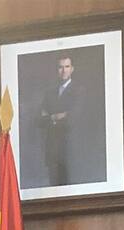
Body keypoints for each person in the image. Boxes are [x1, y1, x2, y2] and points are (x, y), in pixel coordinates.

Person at [39, 55, 84, 186]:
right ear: (57, 70)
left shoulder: (79, 91)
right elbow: (39, 120)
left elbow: (73, 118)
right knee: (53, 189)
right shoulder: (49, 92)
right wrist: (57, 116)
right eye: (60, 67)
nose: (64, 70)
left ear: (72, 69)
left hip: (70, 149)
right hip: (52, 150)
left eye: (67, 67)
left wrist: (50, 117)